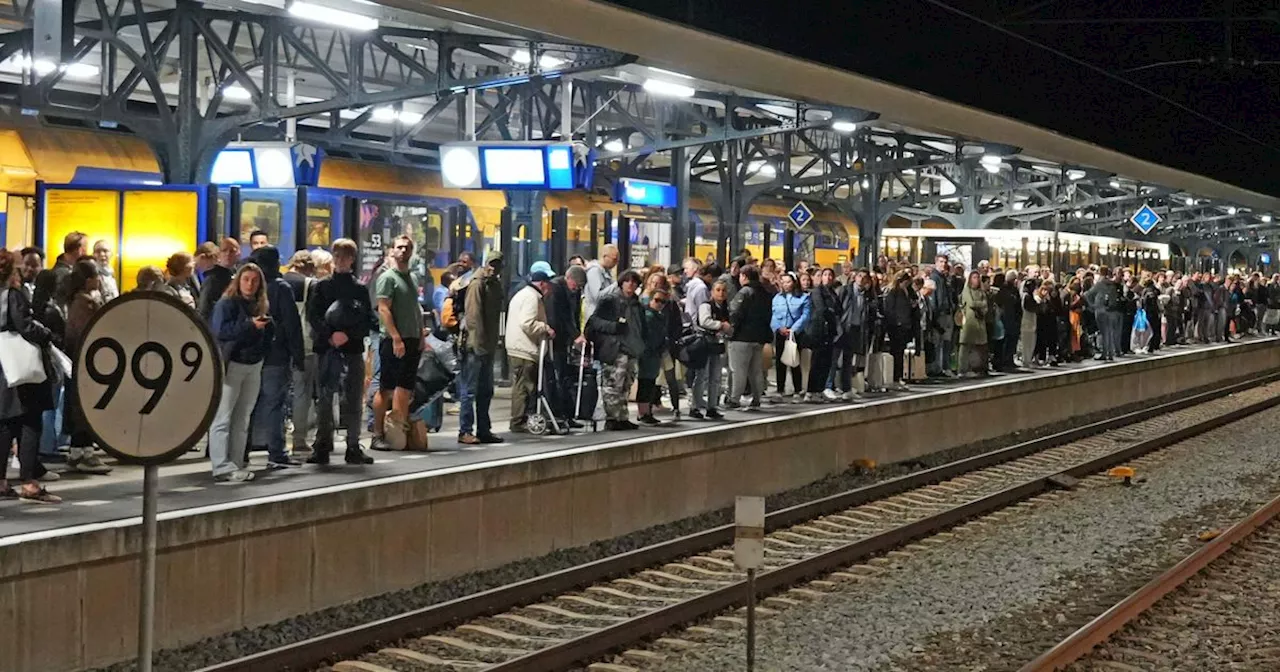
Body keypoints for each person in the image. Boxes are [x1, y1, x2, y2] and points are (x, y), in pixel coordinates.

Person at [306, 239, 377, 465]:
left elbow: (368, 319)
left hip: (351, 348)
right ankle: (322, 445)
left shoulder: (359, 289)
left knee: (353, 398)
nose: (340, 260)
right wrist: (331, 335)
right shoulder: (321, 287)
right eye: (337, 256)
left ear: (352, 260)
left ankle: (353, 445)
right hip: (328, 348)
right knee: (325, 399)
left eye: (345, 257)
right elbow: (313, 316)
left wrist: (347, 335)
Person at [0, 250, 58, 503]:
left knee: (3, 424)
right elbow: (25, 326)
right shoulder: (14, 294)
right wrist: (48, 334)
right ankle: (29, 482)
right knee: (29, 421)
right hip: (20, 366)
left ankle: (1, 482)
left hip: (2, 367)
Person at [209, 264, 272, 481]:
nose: (250, 284)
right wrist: (250, 326)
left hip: (253, 364)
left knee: (242, 417)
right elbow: (220, 331)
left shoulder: (259, 305)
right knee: (223, 417)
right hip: (232, 364)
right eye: (246, 279)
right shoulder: (227, 304)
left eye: (254, 280)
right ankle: (220, 464)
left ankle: (235, 462)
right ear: (238, 281)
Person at [245, 246, 304, 468]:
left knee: (248, 406)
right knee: (275, 405)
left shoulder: (248, 288)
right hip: (276, 356)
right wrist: (297, 355)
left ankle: (242, 451)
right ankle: (276, 452)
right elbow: (291, 325)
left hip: (250, 356)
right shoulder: (281, 288)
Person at [371, 235, 427, 451]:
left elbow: (416, 308)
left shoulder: (412, 278)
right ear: (392, 250)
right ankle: (377, 433)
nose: (404, 251)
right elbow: (383, 308)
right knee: (385, 388)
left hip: (412, 338)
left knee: (405, 388)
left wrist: (420, 335)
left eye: (408, 248)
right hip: (394, 340)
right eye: (400, 247)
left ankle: (398, 432)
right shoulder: (387, 278)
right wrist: (395, 337)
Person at [62, 259, 112, 475]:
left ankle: (77, 450)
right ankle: (85, 453)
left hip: (77, 361)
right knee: (85, 407)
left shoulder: (77, 300)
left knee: (78, 406)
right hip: (85, 363)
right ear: (89, 280)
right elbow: (88, 332)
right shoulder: (85, 303)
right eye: (96, 277)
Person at [458, 251, 505, 445]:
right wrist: (477, 346)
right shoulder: (478, 284)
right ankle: (465, 430)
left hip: (487, 345)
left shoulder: (494, 285)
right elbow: (473, 317)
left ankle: (484, 429)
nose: (494, 267)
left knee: (486, 390)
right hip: (475, 345)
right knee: (469, 390)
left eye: (497, 264)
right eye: (491, 263)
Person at [588, 270, 643, 430]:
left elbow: (640, 326)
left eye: (634, 283)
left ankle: (622, 416)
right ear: (621, 282)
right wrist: (614, 327)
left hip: (632, 349)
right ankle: (612, 418)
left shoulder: (636, 304)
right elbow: (594, 322)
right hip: (615, 349)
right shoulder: (609, 301)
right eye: (628, 281)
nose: (631, 285)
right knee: (613, 383)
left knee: (626, 384)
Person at [505, 268, 555, 433]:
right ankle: (518, 421)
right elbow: (527, 323)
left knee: (522, 385)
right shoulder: (531, 297)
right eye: (548, 286)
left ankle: (521, 419)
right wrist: (545, 328)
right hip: (524, 348)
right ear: (542, 284)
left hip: (518, 346)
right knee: (524, 387)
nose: (549, 290)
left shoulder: (523, 294)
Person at [283, 251, 318, 455]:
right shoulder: (309, 285)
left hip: (280, 345)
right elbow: (313, 317)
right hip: (304, 343)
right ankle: (299, 439)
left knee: (278, 392)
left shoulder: (280, 280)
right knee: (302, 391)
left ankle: (276, 438)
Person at [31, 269, 66, 465]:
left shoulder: (32, 305)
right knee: (51, 405)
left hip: (38, 361)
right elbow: (59, 336)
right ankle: (47, 446)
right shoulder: (51, 310)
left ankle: (46, 445)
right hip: (52, 360)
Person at [546, 263, 586, 426]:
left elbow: (574, 315)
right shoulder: (556, 290)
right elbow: (559, 316)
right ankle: (559, 414)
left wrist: (577, 333)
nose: (576, 289)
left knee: (567, 377)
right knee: (558, 376)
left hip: (566, 340)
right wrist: (575, 334)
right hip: (556, 340)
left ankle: (568, 414)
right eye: (575, 285)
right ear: (568, 279)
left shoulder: (573, 292)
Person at [726, 264, 771, 408]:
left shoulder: (744, 292)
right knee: (756, 370)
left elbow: (735, 313)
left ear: (744, 276)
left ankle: (734, 399)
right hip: (759, 338)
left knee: (738, 370)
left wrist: (731, 330)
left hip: (741, 337)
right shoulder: (764, 292)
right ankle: (757, 398)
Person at [770, 272, 810, 400]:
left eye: (788, 282)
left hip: (795, 334)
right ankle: (780, 389)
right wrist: (778, 328)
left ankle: (798, 389)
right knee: (780, 362)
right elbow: (773, 315)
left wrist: (793, 329)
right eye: (783, 282)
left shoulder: (803, 297)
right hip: (781, 333)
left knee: (794, 361)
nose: (786, 284)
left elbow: (805, 316)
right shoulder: (777, 298)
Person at [636, 286, 671, 425]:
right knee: (645, 382)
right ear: (650, 300)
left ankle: (646, 411)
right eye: (657, 300)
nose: (660, 304)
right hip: (648, 353)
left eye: (663, 302)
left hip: (655, 353)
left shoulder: (658, 316)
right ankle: (643, 412)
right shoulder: (648, 316)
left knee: (650, 382)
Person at [804, 266, 838, 402]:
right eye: (825, 275)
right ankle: (811, 390)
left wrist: (832, 311)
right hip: (819, 331)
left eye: (830, 275)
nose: (828, 278)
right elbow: (822, 309)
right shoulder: (817, 292)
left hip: (830, 331)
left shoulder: (832, 293)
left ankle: (820, 388)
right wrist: (831, 312)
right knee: (817, 361)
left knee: (826, 362)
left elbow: (838, 309)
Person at [882, 270, 915, 389]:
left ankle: (898, 377)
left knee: (900, 352)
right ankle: (895, 378)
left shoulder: (906, 291)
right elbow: (890, 310)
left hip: (904, 325)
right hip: (896, 326)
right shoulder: (893, 292)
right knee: (896, 352)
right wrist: (896, 322)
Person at [197, 238, 240, 322]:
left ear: (238, 253)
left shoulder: (238, 274)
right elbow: (204, 310)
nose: (228, 254)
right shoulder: (212, 279)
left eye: (232, 251)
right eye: (224, 250)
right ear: (219, 254)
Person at [957, 271, 989, 377]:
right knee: (965, 346)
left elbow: (985, 305)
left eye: (977, 277)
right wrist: (980, 304)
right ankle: (962, 369)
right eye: (974, 277)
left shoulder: (981, 292)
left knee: (978, 346)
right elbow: (971, 303)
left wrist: (979, 305)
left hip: (979, 322)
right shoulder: (967, 290)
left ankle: (975, 367)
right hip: (969, 322)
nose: (976, 279)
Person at [583, 244, 620, 322]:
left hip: (604, 316)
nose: (616, 263)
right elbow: (597, 297)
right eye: (614, 259)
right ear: (604, 256)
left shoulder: (607, 272)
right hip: (595, 318)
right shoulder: (594, 271)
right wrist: (616, 285)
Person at [53, 232, 88, 303]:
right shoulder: (66, 274)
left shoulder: (72, 270)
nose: (86, 252)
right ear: (79, 250)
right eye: (85, 247)